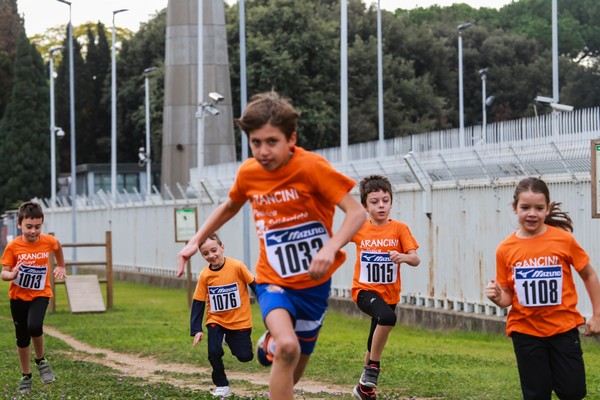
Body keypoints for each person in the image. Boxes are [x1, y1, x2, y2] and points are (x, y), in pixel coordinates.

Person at [177, 91, 366, 400]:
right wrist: (195, 241)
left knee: (293, 364)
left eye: (271, 141)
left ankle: (271, 347)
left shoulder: (312, 168)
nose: (263, 151)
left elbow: (356, 213)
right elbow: (229, 207)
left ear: (291, 138)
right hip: (273, 281)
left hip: (313, 286)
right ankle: (278, 341)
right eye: (255, 142)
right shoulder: (250, 173)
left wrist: (330, 248)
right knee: (289, 346)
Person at [486, 177, 600, 400]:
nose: (532, 214)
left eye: (538, 208)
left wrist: (597, 314)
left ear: (547, 209)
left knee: (573, 391)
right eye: (525, 207)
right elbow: (508, 296)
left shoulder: (563, 240)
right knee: (536, 394)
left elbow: (589, 274)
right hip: (526, 330)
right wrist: (497, 297)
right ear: (514, 208)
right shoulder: (505, 249)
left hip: (563, 328)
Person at [349, 175, 420, 400]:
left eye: (385, 200)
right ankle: (373, 369)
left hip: (389, 294)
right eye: (375, 201)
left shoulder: (399, 229)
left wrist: (402, 257)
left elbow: (415, 259)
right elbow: (335, 241)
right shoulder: (359, 228)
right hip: (363, 291)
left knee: (374, 340)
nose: (381, 205)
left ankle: (364, 389)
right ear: (365, 205)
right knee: (387, 318)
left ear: (391, 202)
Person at [1, 201, 66, 395]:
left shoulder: (47, 241)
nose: (33, 231)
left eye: (37, 227)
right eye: (29, 227)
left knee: (35, 326)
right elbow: (3, 272)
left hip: (40, 294)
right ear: (20, 224)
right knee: (22, 339)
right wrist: (11, 275)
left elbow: (57, 246)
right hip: (18, 297)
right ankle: (26, 375)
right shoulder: (13, 246)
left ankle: (41, 361)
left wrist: (61, 265)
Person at [190, 233, 256, 397]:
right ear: (202, 255)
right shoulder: (205, 275)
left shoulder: (237, 266)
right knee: (214, 351)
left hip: (239, 320)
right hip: (216, 319)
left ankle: (229, 339)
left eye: (214, 250)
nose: (211, 256)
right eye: (206, 253)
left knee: (245, 356)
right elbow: (198, 302)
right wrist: (196, 329)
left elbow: (256, 286)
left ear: (222, 247)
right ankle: (222, 384)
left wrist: (271, 307)